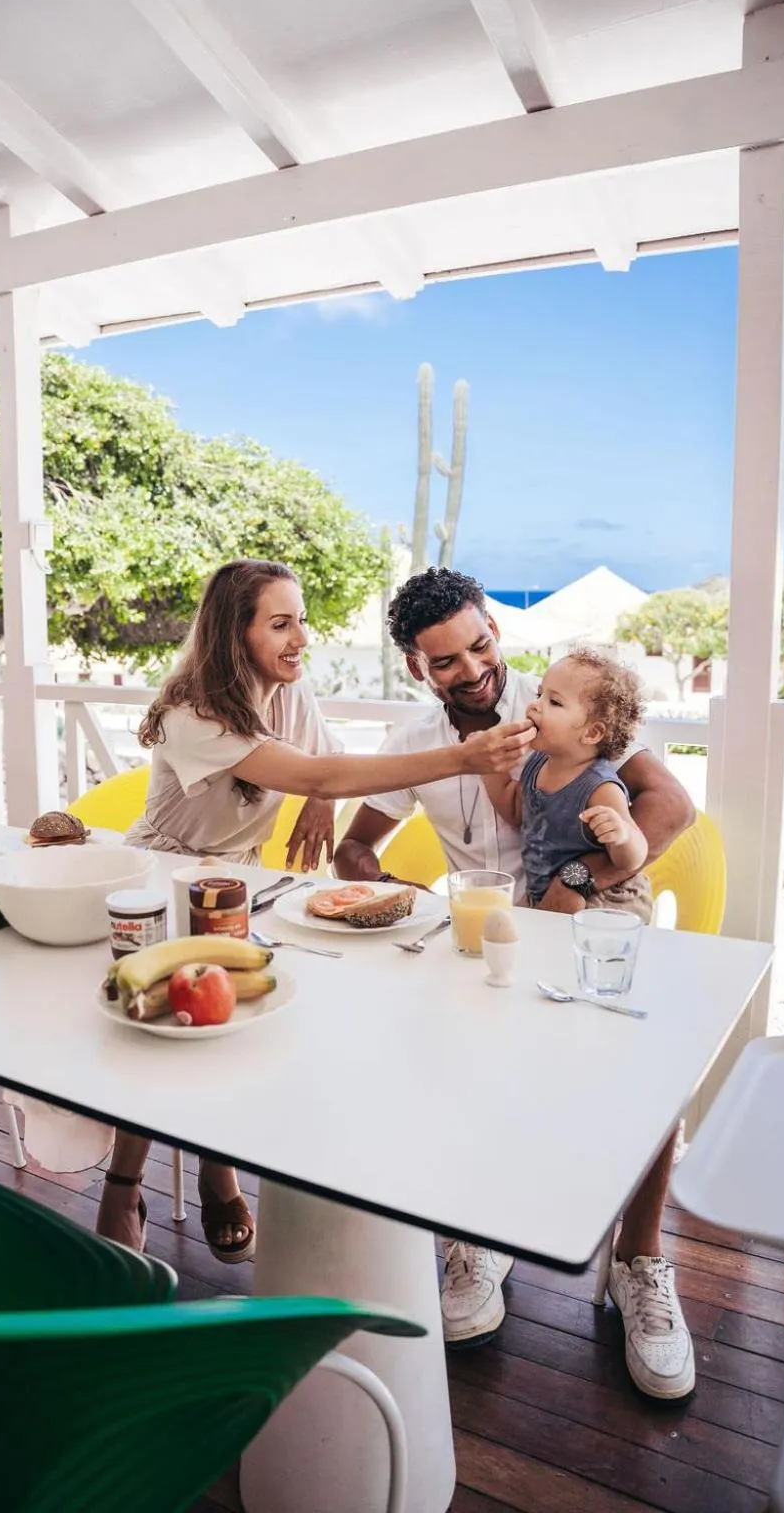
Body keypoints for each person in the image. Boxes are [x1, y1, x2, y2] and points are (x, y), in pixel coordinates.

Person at [98, 558, 535, 1262]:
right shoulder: (193, 714)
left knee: (240, 1030)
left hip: (243, 886)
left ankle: (219, 1167)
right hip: (169, 878)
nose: (300, 637)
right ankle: (122, 1185)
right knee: (159, 1036)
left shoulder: (285, 690)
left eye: (301, 619)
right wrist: (457, 759)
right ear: (233, 634)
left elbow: (323, 762)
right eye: (280, 623)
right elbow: (317, 769)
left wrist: (322, 801)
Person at [334, 568, 697, 1400]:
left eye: (480, 645)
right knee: (421, 1039)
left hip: (579, 919)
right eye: (445, 662)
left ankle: (638, 1263)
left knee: (649, 1062)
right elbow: (355, 851)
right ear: (415, 667)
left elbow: (670, 805)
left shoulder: (564, 701)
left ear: (495, 629)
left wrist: (582, 874)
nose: (472, 671)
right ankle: (476, 1229)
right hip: (482, 941)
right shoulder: (418, 743)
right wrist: (405, 902)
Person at [483, 648, 648, 906]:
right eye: (540, 694)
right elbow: (516, 811)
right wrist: (488, 766)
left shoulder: (599, 788)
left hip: (606, 898)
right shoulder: (538, 763)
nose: (535, 705)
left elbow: (634, 857)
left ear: (592, 733)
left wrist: (622, 835)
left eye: (554, 702)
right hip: (545, 893)